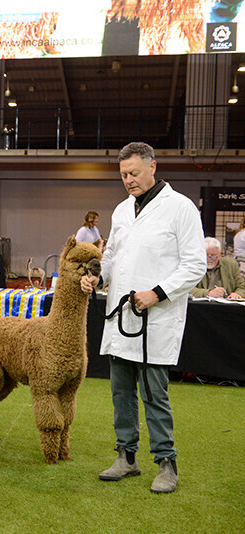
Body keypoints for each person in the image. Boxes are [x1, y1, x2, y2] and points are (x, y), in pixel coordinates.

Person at [83, 142, 205, 494]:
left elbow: (195, 264)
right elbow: (113, 258)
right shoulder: (121, 211)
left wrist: (158, 292)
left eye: (134, 173)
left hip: (157, 317)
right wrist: (98, 276)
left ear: (153, 167)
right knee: (120, 392)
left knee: (154, 393)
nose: (128, 180)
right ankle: (126, 456)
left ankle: (166, 462)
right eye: (123, 175)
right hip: (121, 316)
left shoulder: (180, 208)